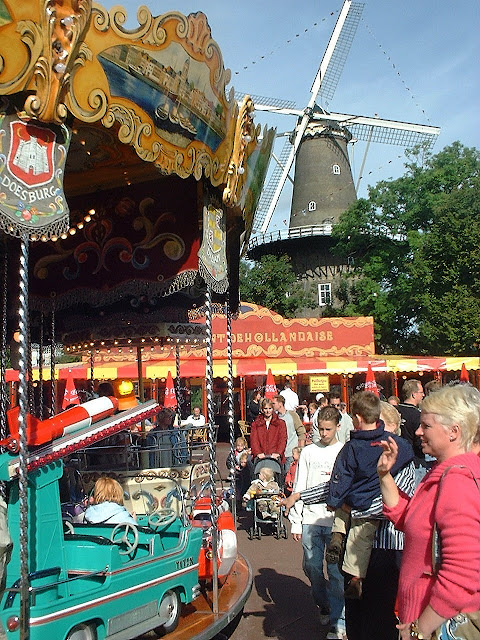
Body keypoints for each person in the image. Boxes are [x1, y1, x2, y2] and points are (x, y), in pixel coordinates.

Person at [283, 400, 416, 640]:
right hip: (353, 546)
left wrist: (353, 509)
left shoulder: (403, 454)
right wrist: (301, 495)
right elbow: (337, 483)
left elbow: (397, 503)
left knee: (380, 616)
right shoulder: (354, 449)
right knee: (357, 614)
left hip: (387, 546)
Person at [377, 383, 480, 640]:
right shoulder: (441, 472)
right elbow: (410, 520)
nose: (418, 431)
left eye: (427, 425)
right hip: (427, 616)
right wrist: (385, 476)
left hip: (441, 625)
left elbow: (462, 575)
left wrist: (419, 629)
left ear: (454, 431)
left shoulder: (457, 481)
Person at [325, 391, 413, 599]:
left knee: (341, 512)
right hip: (372, 501)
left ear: (357, 418)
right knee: (360, 541)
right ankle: (356, 576)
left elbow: (341, 476)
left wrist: (334, 499)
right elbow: (407, 452)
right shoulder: (393, 443)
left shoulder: (352, 447)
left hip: (354, 500)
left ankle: (337, 535)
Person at [288, 406, 346, 640]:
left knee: (335, 571)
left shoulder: (343, 451)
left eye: (328, 429)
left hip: (334, 521)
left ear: (338, 427)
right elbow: (299, 485)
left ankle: (337, 621)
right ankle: (323, 603)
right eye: (320, 429)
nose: (323, 433)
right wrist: (295, 521)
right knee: (312, 567)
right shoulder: (309, 452)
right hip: (311, 518)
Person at [397, 379, 426, 479]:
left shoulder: (394, 412)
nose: (423, 395)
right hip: (415, 462)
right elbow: (419, 442)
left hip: (396, 461)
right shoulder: (417, 415)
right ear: (413, 394)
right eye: (421, 392)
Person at [272, 394, 305, 469]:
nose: (272, 405)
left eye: (274, 403)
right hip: (280, 454)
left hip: (291, 452)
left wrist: (300, 449)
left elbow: (301, 431)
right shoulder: (275, 418)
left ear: (280, 403)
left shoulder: (292, 415)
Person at [250, 398, 287, 464]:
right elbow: (254, 440)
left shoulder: (280, 423)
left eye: (270, 408)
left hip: (275, 458)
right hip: (261, 458)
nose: (268, 411)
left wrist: (278, 453)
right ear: (262, 410)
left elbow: (282, 439)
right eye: (266, 408)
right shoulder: (256, 424)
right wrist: (258, 453)